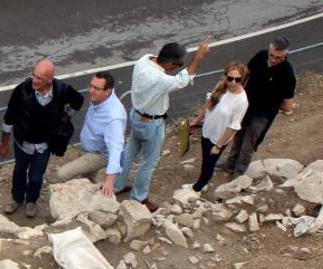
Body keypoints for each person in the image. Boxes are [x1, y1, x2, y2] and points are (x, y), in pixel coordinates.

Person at [114, 39, 210, 211]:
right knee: (148, 162)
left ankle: (117, 185)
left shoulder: (144, 60)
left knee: (130, 152)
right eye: (178, 64)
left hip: (136, 115)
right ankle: (139, 197)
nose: (178, 68)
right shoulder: (158, 78)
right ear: (171, 63)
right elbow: (182, 81)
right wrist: (198, 58)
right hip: (151, 122)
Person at [0, 59, 84, 218]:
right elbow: (9, 117)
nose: (34, 80)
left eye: (39, 78)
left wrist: (66, 117)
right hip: (23, 143)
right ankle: (17, 198)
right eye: (33, 75)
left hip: (45, 145)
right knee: (19, 171)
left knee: (37, 176)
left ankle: (32, 201)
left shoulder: (62, 90)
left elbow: (78, 100)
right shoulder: (21, 91)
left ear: (50, 80)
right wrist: (4, 143)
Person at [222, 36, 297, 176]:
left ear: (287, 55)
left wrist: (273, 104)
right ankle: (230, 164)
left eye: (279, 58)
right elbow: (245, 74)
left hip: (263, 114)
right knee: (238, 136)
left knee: (248, 144)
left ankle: (239, 173)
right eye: (272, 55)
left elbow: (288, 105)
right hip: (245, 108)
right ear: (268, 51)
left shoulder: (287, 74)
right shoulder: (261, 56)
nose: (274, 60)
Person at [55, 71, 127, 197]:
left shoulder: (113, 117)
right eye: (90, 86)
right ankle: (92, 197)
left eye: (96, 88)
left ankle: (109, 189)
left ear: (108, 91)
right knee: (88, 182)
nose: (91, 91)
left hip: (98, 155)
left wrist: (110, 181)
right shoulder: (100, 99)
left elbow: (116, 148)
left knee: (62, 174)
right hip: (89, 149)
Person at [188, 62, 249, 193]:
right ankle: (202, 182)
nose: (233, 82)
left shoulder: (242, 101)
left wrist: (219, 146)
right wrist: (196, 120)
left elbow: (234, 127)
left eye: (237, 79)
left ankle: (197, 187)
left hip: (218, 138)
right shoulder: (221, 87)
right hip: (207, 131)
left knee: (210, 163)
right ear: (226, 76)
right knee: (205, 159)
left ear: (242, 79)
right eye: (230, 78)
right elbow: (208, 104)